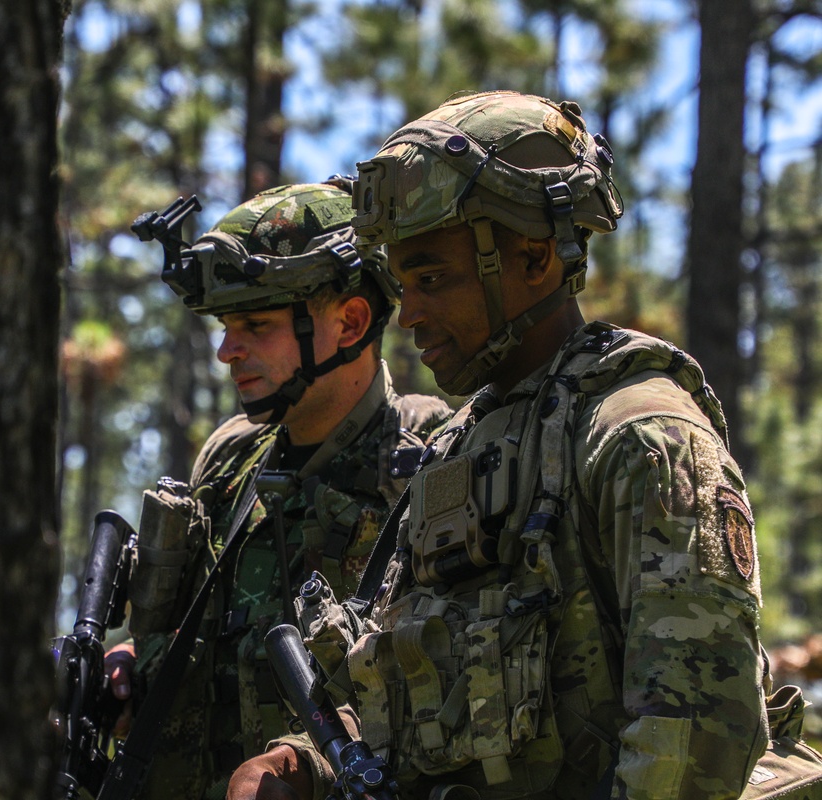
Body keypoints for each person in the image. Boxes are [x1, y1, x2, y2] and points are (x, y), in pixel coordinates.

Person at [227, 91, 770, 800]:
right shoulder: (460, 449)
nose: (410, 311)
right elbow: (407, 698)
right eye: (401, 282)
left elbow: (699, 737)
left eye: (431, 278)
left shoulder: (639, 436)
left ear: (536, 258)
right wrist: (305, 763)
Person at [106, 181, 452, 800]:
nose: (225, 352)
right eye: (225, 326)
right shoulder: (231, 458)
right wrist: (135, 658)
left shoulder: (429, 461)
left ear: (349, 322)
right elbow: (208, 630)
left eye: (255, 325)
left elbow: (447, 681)